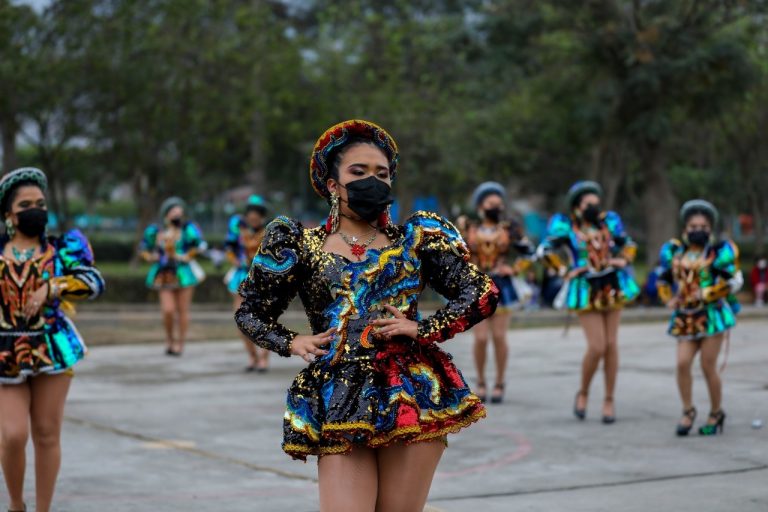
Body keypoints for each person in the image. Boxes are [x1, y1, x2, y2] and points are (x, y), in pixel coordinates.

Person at [236, 119, 498, 512]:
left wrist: (424, 328)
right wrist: (292, 341)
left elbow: (482, 292)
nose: (372, 181)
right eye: (358, 173)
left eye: (382, 174)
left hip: (411, 392)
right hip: (340, 394)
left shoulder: (416, 240)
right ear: (332, 184)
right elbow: (251, 313)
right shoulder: (300, 244)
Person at [0, 167, 105, 512]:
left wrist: (53, 285)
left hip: (52, 345)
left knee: (46, 433)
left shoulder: (63, 248)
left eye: (41, 203)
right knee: (14, 435)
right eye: (26, 204)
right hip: (5, 348)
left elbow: (93, 282)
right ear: (9, 215)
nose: (36, 210)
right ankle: (16, 503)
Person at [537, 180, 639, 424]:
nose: (593, 207)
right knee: (597, 346)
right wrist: (564, 270)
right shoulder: (566, 226)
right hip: (585, 288)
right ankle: (583, 392)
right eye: (587, 203)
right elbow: (544, 251)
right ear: (576, 206)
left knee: (612, 344)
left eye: (596, 203)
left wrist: (623, 260)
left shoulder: (609, 223)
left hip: (612, 285)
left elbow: (629, 244)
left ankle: (609, 400)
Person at [656, 200, 742, 436]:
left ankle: (716, 412)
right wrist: (668, 299)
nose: (698, 230)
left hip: (712, 314)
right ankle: (688, 410)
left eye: (704, 226)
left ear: (710, 229)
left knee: (707, 365)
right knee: (682, 363)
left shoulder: (717, 253)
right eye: (694, 225)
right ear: (685, 228)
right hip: (685, 317)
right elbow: (662, 279)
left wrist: (707, 293)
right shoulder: (675, 252)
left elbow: (732, 282)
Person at [457, 182, 534, 404]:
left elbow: (529, 252)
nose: (496, 207)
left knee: (499, 337)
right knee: (480, 338)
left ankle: (499, 382)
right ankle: (481, 381)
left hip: (502, 285)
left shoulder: (510, 228)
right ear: (481, 205)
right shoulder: (467, 226)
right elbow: (453, 252)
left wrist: (515, 268)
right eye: (492, 203)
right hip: (476, 285)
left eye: (499, 204)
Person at [140, 197, 207, 356]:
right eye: (173, 211)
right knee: (168, 309)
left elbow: (200, 245)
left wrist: (186, 255)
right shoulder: (156, 231)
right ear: (165, 213)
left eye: (179, 211)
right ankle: (169, 338)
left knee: (183, 310)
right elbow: (144, 248)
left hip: (184, 273)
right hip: (164, 273)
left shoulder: (188, 229)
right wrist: (151, 256)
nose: (177, 214)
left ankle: (180, 343)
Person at [224, 194, 270, 372]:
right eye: (250, 213)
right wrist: (234, 259)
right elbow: (229, 247)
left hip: (264, 279)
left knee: (266, 319)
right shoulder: (238, 229)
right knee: (240, 318)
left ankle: (264, 358)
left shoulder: (270, 231)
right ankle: (252, 356)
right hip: (241, 276)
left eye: (257, 214)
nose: (253, 217)